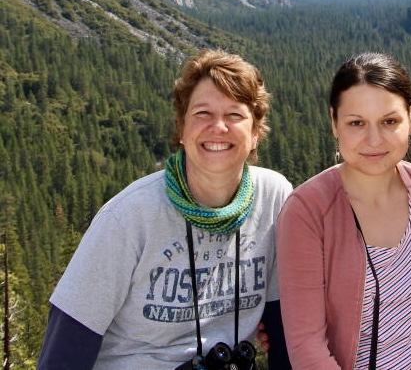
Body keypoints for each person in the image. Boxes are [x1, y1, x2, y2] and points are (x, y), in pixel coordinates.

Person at [37, 49, 292, 369]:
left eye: (234, 115)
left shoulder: (274, 197)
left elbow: (282, 320)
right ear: (181, 129)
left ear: (255, 133)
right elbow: (64, 351)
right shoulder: (129, 217)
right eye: (202, 113)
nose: (218, 127)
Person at [276, 52, 411, 369]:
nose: (374, 140)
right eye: (356, 123)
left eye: (389, 121)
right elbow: (307, 346)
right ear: (334, 122)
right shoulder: (307, 210)